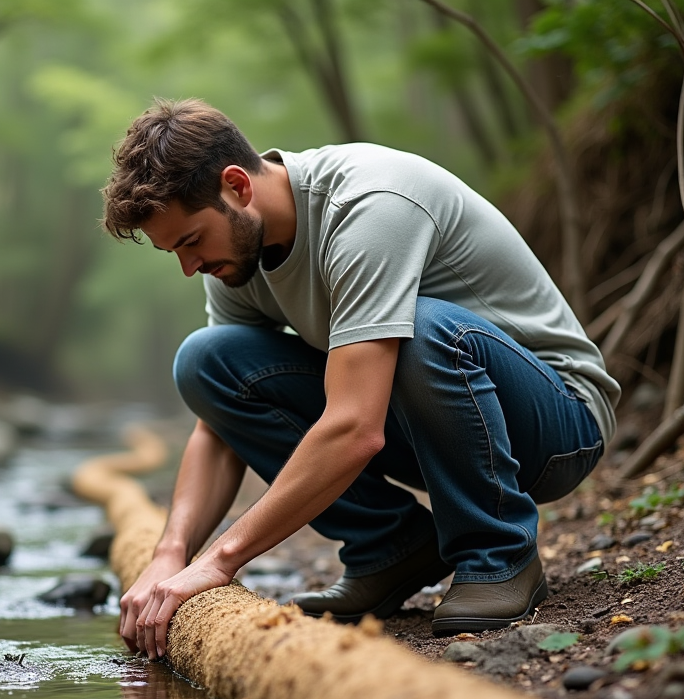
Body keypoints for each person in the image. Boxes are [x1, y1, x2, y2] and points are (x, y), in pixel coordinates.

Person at [102, 98, 619, 660]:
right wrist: (171, 553)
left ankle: (498, 553)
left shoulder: (370, 205)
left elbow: (354, 428)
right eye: (174, 251)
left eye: (191, 241)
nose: (188, 266)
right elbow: (218, 426)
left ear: (237, 186)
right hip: (430, 428)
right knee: (206, 359)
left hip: (556, 425)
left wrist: (218, 562)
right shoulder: (236, 256)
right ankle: (390, 550)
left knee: (418, 327)